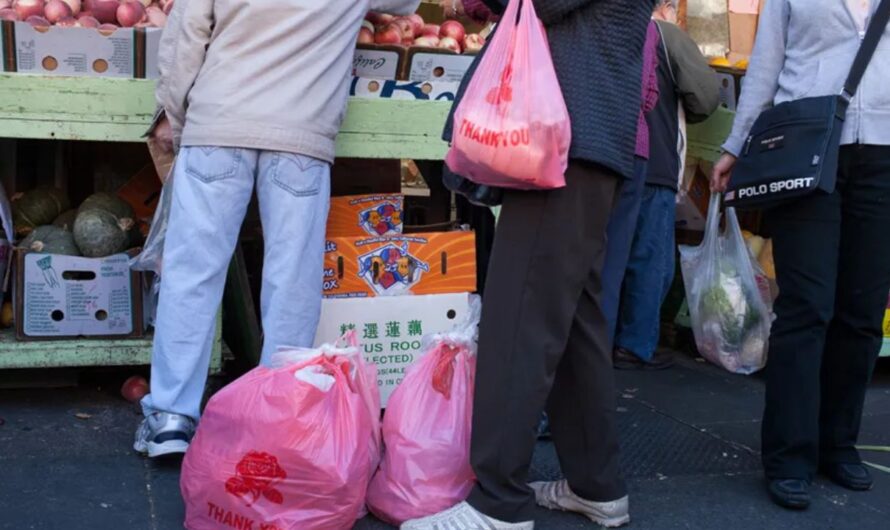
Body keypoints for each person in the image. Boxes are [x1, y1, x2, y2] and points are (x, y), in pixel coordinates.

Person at [403, 1, 657, 529]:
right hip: (585, 136)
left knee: (520, 317)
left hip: (563, 136)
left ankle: (497, 501)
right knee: (572, 321)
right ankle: (597, 485)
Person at [134, 0, 421, 458]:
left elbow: (186, 36)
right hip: (301, 139)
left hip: (219, 125)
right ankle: (280, 416)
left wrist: (178, 115)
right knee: (292, 281)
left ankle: (171, 417)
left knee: (192, 274)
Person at [711, 0, 890, 510]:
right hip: (805, 146)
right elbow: (766, 64)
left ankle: (838, 443)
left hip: (884, 153)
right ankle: (789, 454)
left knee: (861, 312)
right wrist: (736, 144)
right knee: (806, 306)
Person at [612, 0, 721, 370]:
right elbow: (706, 97)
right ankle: (635, 344)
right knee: (650, 259)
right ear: (670, 7)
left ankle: (601, 341)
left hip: (604, 158)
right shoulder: (666, 33)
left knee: (609, 255)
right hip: (653, 161)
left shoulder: (605, 24)